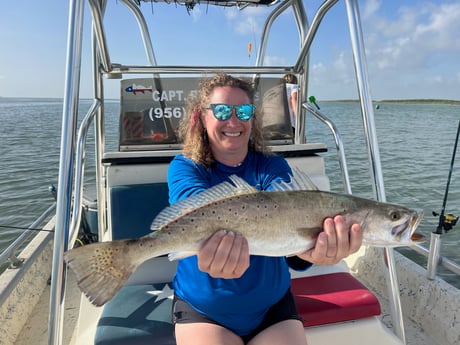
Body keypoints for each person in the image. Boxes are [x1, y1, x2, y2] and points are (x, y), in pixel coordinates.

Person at [167, 73, 363, 345]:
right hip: (204, 310)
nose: (233, 121)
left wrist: (312, 251)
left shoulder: (273, 166)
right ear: (202, 117)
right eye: (222, 110)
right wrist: (213, 244)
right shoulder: (185, 167)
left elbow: (285, 223)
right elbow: (190, 208)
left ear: (252, 118)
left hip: (273, 308)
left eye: (244, 111)